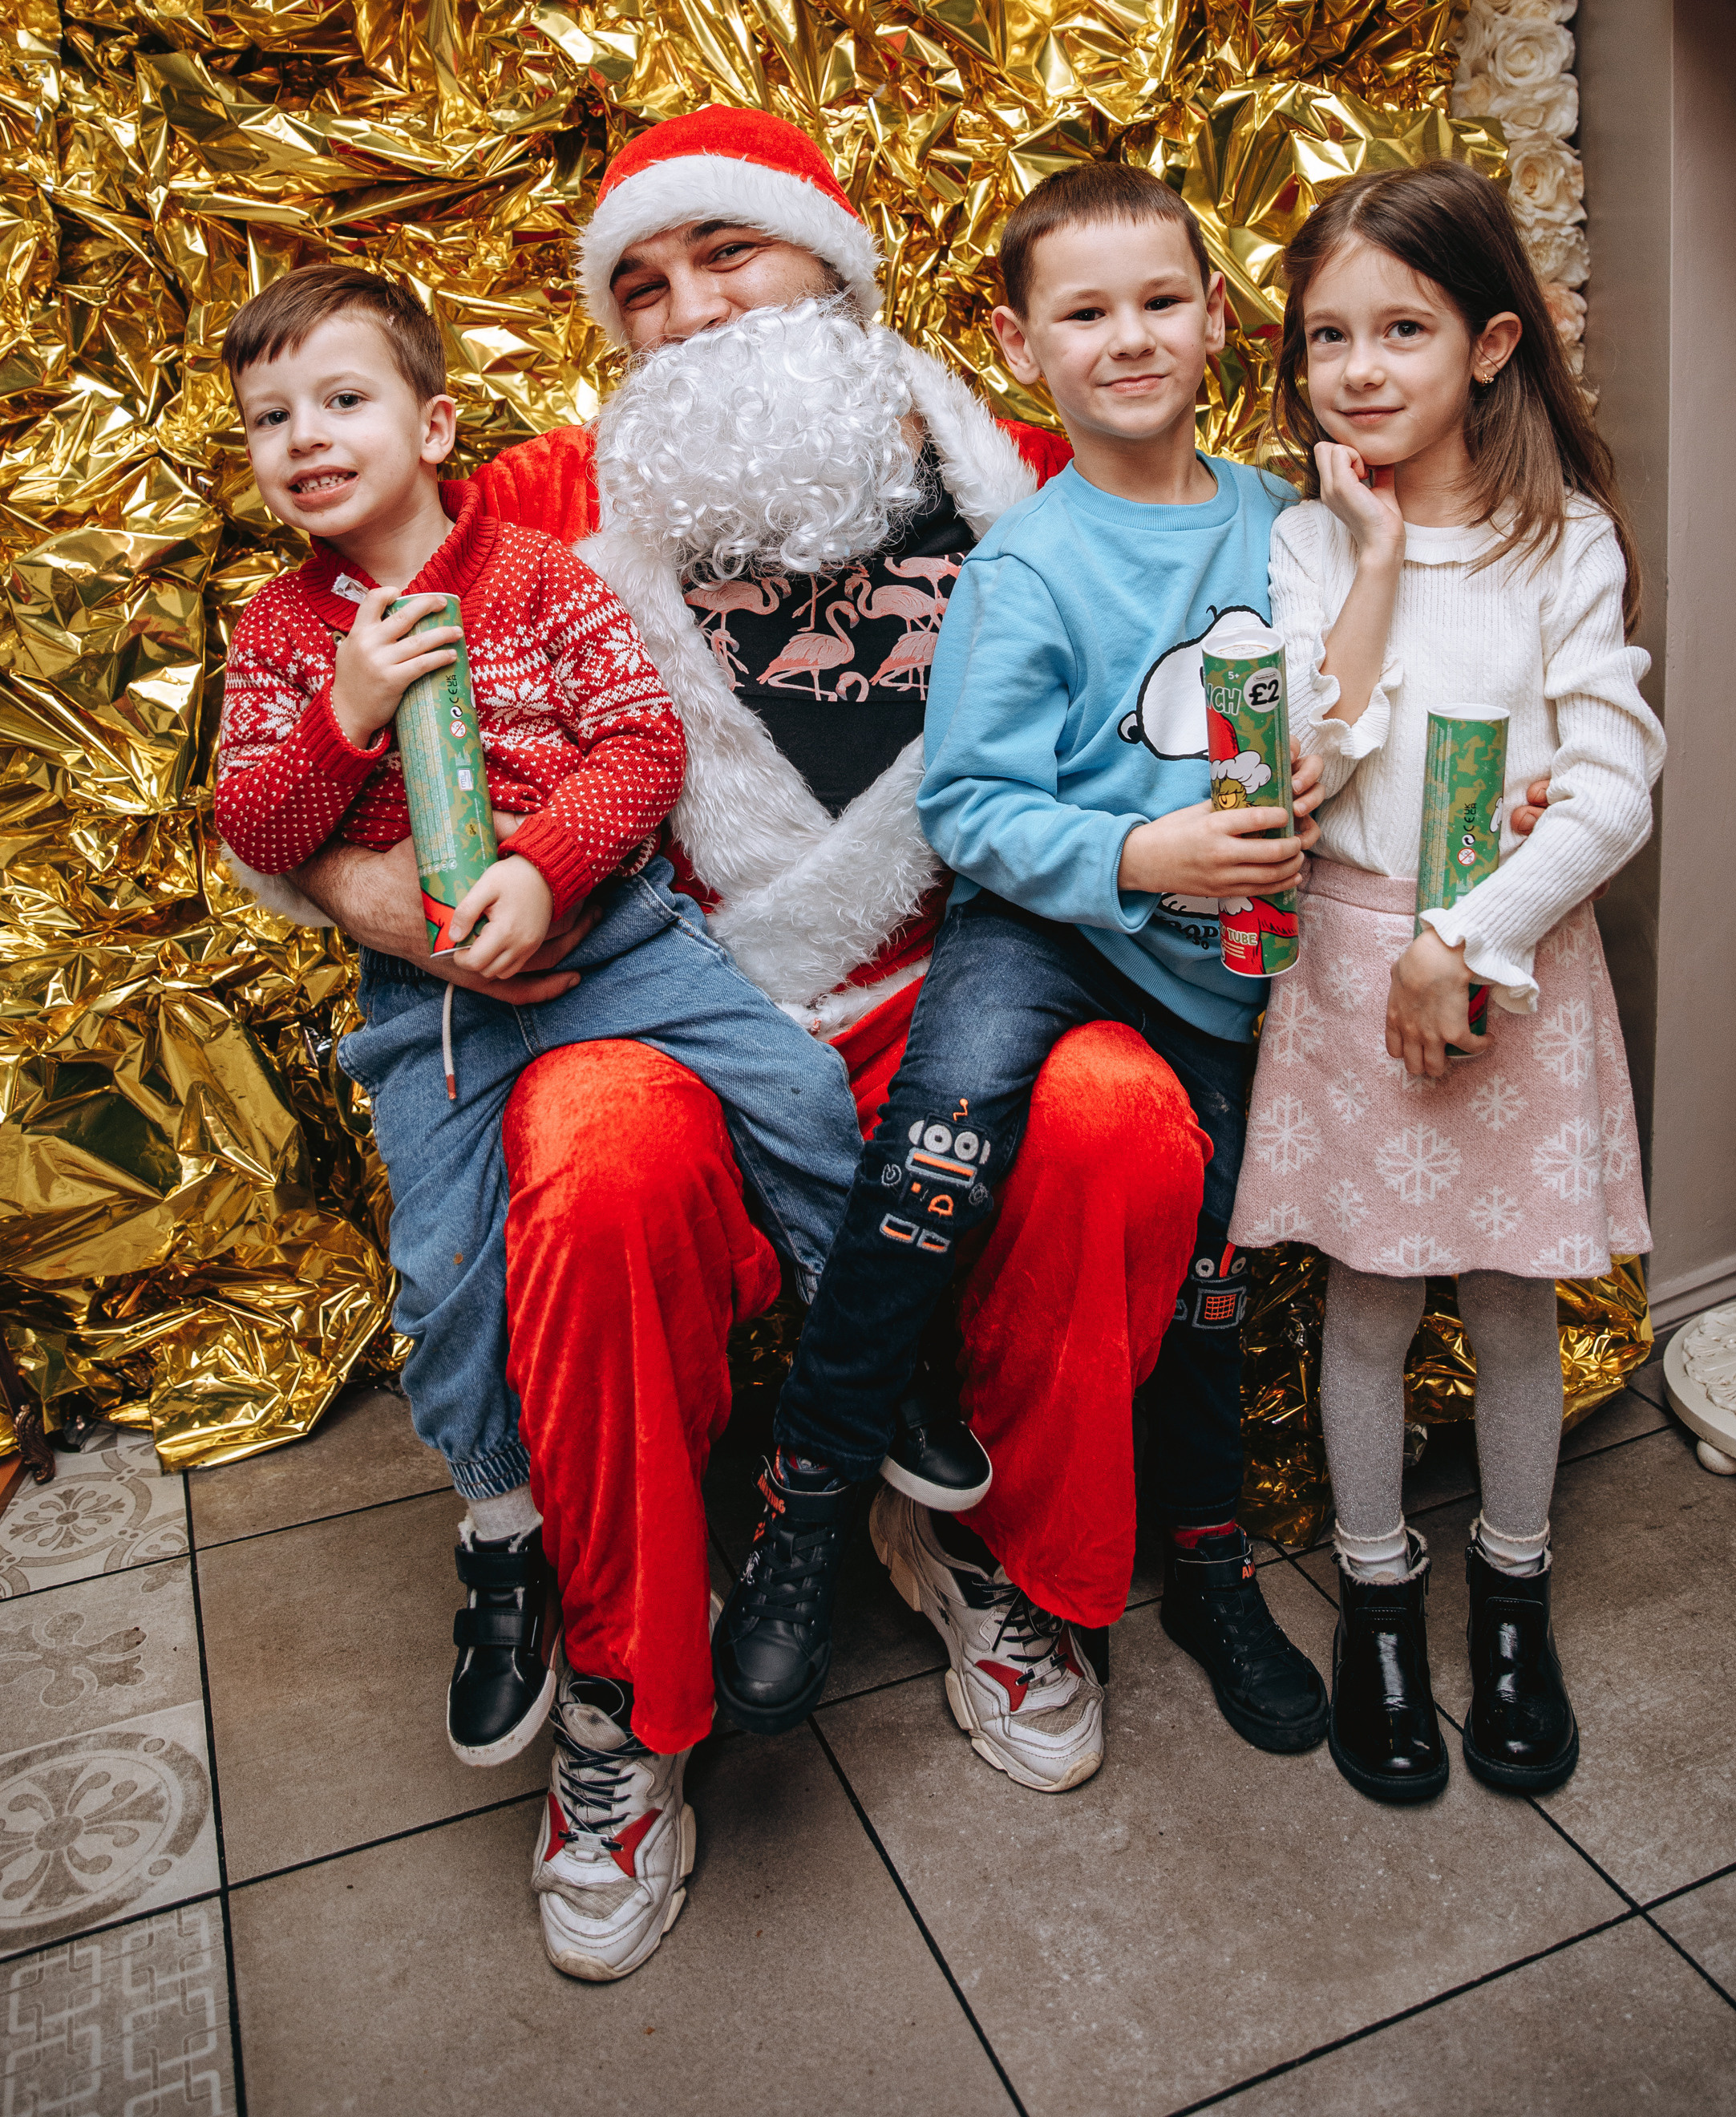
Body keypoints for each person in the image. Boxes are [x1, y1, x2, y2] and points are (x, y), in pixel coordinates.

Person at [253, 107, 1239, 1985]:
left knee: (1117, 1117)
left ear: (835, 269)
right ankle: (631, 1688)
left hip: (975, 1005)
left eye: (733, 256)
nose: (691, 311)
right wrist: (365, 891)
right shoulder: (548, 500)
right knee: (589, 1151)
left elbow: (1224, 572)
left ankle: (996, 1568)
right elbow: (310, 686)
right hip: (681, 1013)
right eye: (643, 284)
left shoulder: (1019, 463)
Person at [713, 160, 1332, 1772]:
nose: (1129, 338)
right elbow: (976, 811)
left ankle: (1205, 1560)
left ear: (1215, 317)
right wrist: (1144, 853)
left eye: (1160, 301)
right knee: (935, 1158)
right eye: (1086, 313)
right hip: (1044, 936)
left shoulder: (1295, 527)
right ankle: (817, 1491)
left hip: (1218, 973)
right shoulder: (1029, 563)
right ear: (1020, 341)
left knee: (1206, 1276)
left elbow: (1352, 703)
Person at [212, 261, 868, 1776]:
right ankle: (503, 1532)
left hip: (622, 945)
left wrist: (543, 861)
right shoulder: (285, 632)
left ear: (433, 423)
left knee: (801, 1094)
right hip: (429, 1010)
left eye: (343, 399)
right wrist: (347, 713)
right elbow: (257, 824)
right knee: (444, 1272)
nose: (306, 436)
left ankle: (864, 1372)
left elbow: (638, 750)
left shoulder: (533, 577)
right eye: (270, 419)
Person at [1228, 160, 1662, 1807]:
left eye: (1398, 327)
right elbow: (1303, 772)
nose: (1356, 367)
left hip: (1504, 965)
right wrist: (1376, 560)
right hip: (1347, 962)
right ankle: (1383, 1608)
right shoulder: (1301, 541)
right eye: (1326, 334)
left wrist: (1465, 936)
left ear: (1487, 345)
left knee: (1509, 1298)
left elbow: (1613, 784)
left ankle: (1516, 1604)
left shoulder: (1570, 545)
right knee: (1368, 1297)